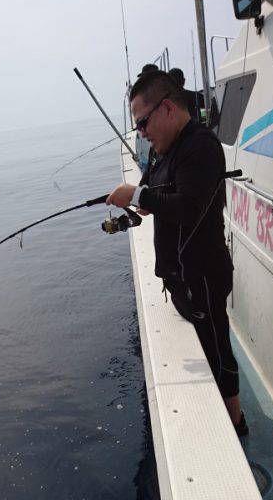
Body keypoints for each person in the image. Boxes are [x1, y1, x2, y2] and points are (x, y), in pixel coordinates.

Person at [106, 70, 248, 436]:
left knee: (219, 352)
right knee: (207, 344)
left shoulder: (199, 146)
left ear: (166, 108)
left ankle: (237, 424)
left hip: (203, 276)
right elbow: (154, 191)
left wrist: (137, 196)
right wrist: (137, 202)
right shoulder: (161, 149)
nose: (140, 133)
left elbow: (188, 208)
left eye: (141, 122)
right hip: (181, 279)